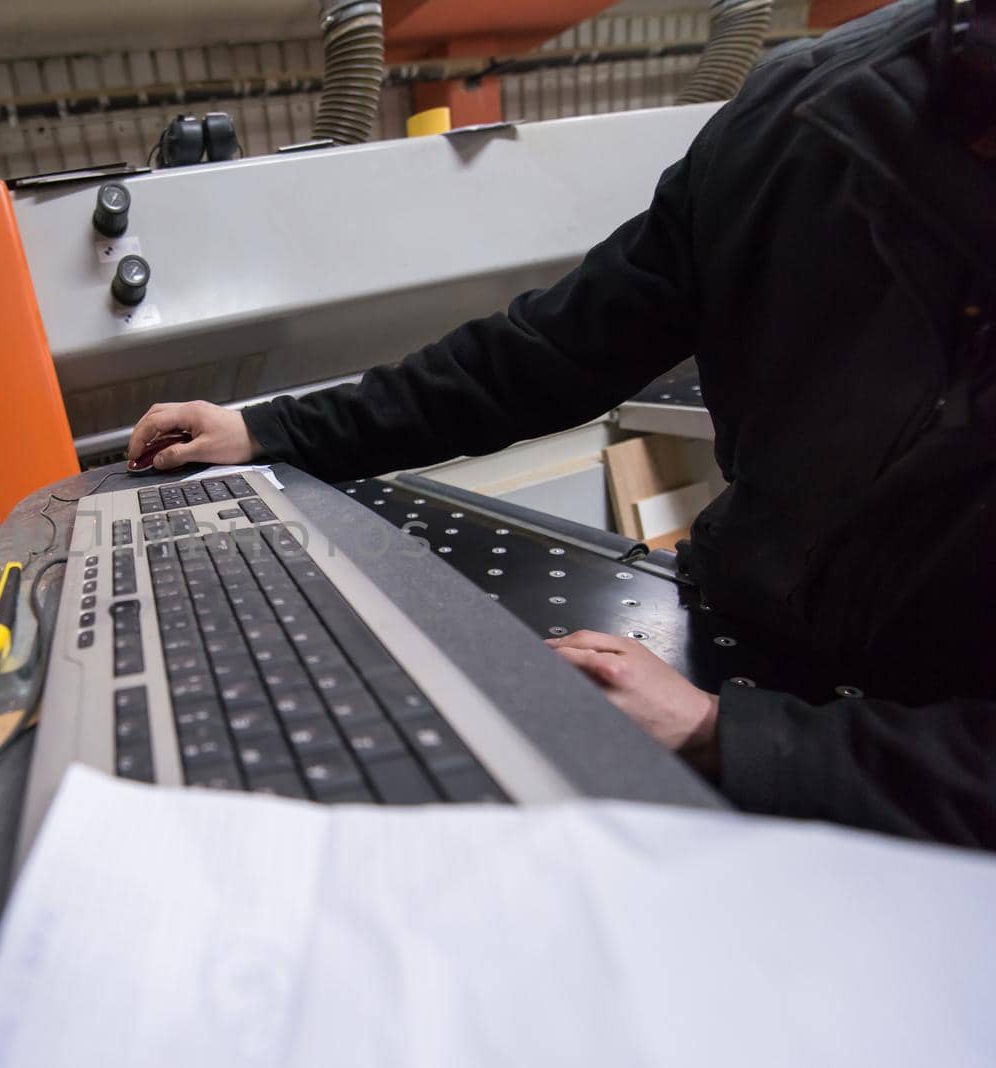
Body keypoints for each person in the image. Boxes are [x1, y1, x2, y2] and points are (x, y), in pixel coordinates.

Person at [126, 0, 996, 848]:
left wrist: (731, 738)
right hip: (751, 625)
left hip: (928, 778)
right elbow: (547, 353)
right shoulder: (798, 122)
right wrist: (274, 431)